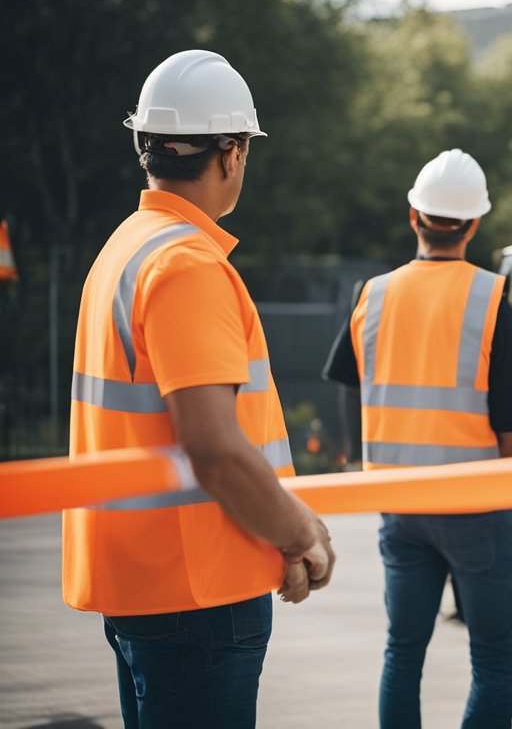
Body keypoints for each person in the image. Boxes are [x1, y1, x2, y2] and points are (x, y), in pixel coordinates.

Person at [65, 49, 335, 728]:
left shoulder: (126, 248)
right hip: (198, 594)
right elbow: (214, 447)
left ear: (143, 145)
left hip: (148, 582)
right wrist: (298, 529)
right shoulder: (186, 264)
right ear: (234, 152)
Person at [322, 148, 512, 728]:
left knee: (403, 654)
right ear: (475, 225)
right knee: (492, 662)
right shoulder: (491, 299)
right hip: (476, 505)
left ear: (414, 215)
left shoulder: (375, 294)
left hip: (400, 507)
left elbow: (347, 384)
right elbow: (510, 419)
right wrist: (497, 476)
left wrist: (362, 458)